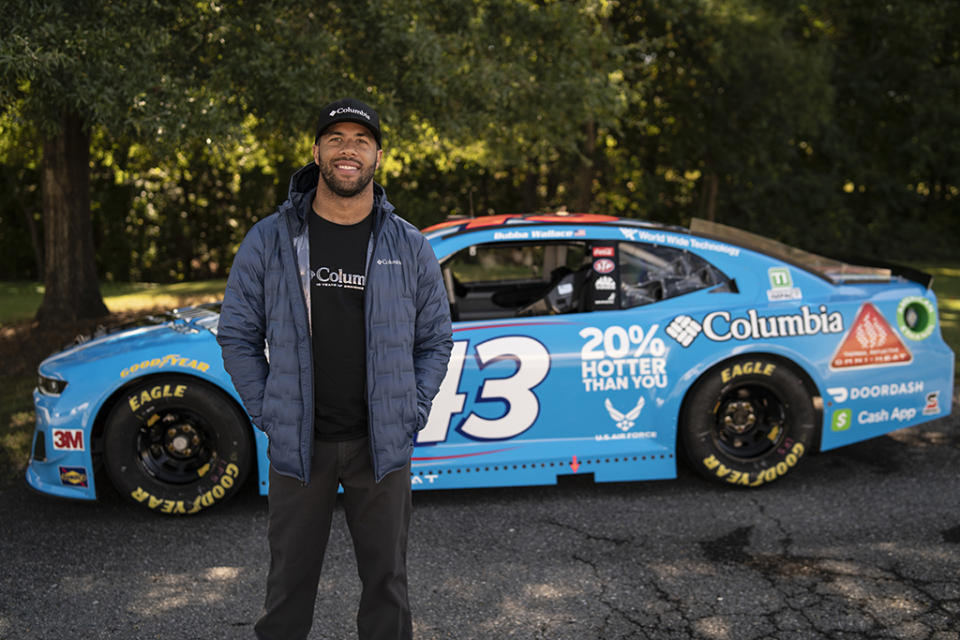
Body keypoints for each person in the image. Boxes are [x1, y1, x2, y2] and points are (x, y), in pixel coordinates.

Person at [217, 97, 453, 640]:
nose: (349, 150)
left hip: (382, 446)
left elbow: (435, 339)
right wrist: (268, 410)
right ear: (317, 151)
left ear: (377, 157)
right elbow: (237, 334)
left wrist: (412, 408)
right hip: (301, 446)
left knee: (387, 586)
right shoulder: (270, 238)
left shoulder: (410, 245)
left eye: (361, 140)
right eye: (337, 138)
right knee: (288, 588)